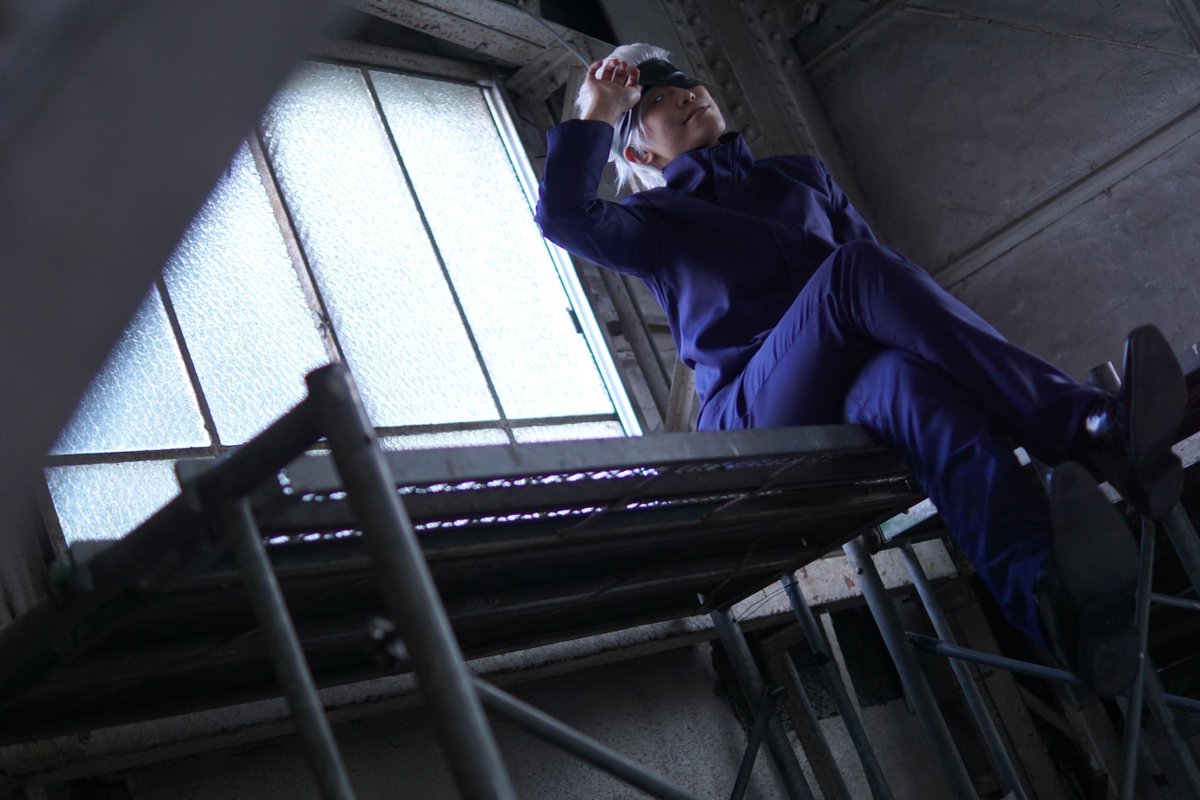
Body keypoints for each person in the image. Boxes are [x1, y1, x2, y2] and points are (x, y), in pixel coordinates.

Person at [534, 43, 1186, 698]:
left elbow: (897, 299)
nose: (684, 95)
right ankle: (1084, 429)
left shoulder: (800, 178)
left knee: (921, 392)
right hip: (753, 414)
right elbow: (562, 216)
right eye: (653, 100)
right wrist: (602, 107)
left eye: (686, 82)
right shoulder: (652, 223)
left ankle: (1049, 603)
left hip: (849, 383)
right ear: (641, 155)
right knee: (855, 273)